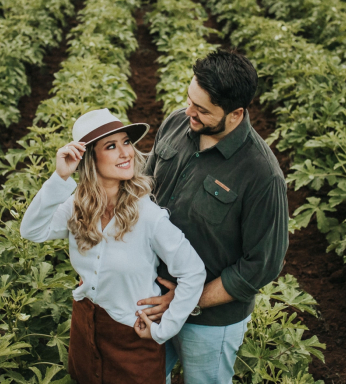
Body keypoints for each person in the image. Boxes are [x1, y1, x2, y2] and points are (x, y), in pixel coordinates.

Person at [19, 108, 206, 384]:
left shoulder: (148, 217)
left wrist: (163, 330)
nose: (126, 153)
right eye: (111, 146)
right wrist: (60, 179)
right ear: (89, 158)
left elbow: (193, 272)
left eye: (127, 142)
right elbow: (31, 230)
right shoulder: (77, 207)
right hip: (86, 324)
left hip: (132, 337)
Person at [138, 50, 290, 384]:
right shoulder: (178, 122)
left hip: (210, 320)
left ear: (236, 114)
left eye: (202, 110)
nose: (189, 112)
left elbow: (261, 265)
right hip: (150, 296)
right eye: (190, 100)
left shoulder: (261, 175)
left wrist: (184, 299)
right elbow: (144, 191)